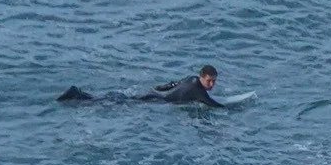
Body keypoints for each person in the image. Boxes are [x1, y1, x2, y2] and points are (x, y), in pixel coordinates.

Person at [57, 66, 225, 107]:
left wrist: (159, 88)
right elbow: (211, 104)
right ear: (201, 77)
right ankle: (78, 95)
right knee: (110, 104)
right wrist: (233, 109)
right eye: (209, 81)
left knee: (118, 100)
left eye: (214, 81)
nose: (211, 84)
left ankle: (80, 95)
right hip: (156, 102)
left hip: (154, 96)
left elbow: (173, 83)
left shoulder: (192, 79)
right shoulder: (198, 90)